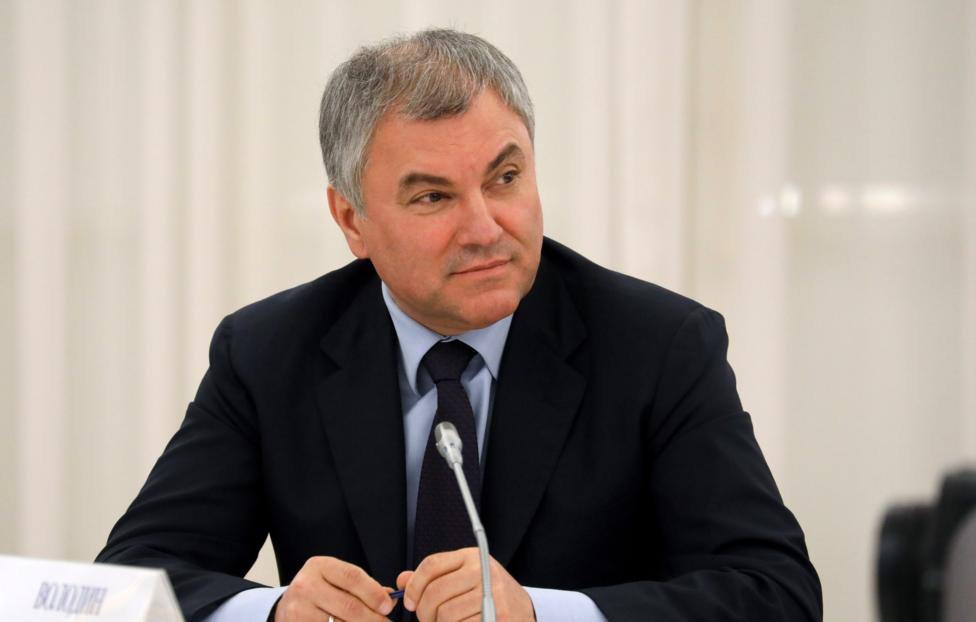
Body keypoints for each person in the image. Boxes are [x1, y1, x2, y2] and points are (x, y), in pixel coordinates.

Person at [97, 29, 822, 622]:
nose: (485, 228)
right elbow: (127, 584)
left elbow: (775, 593)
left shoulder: (657, 346)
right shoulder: (269, 353)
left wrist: (541, 614)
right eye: (433, 197)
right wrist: (274, 611)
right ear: (352, 220)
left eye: (505, 178)